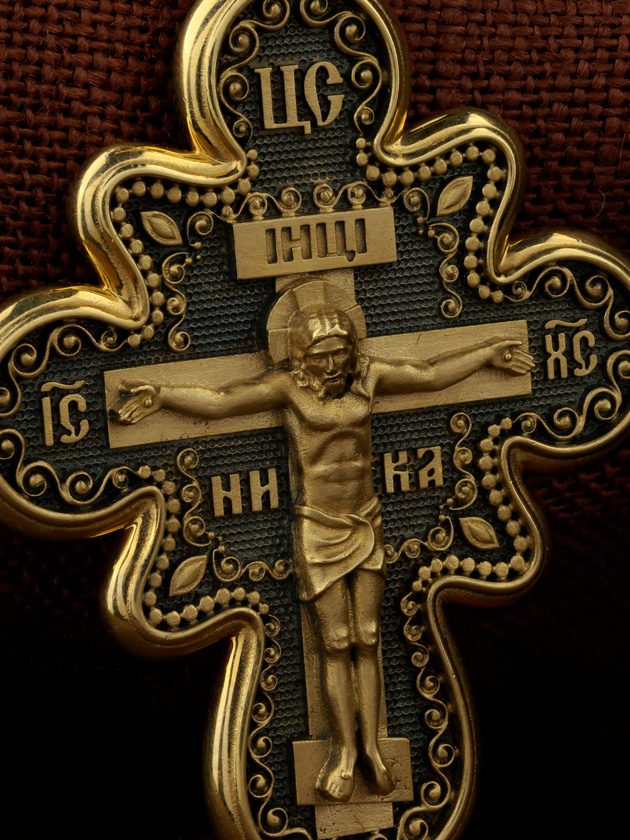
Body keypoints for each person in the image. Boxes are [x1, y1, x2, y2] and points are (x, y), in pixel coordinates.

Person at [116, 302, 534, 803]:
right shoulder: (288, 388)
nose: (334, 365)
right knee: (335, 641)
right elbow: (223, 400)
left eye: (342, 353)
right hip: (318, 528)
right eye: (322, 356)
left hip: (366, 520)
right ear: (301, 356)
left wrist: (487, 353)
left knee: (369, 636)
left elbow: (429, 373)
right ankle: (344, 752)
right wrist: (162, 395)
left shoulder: (370, 376)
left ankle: (372, 748)